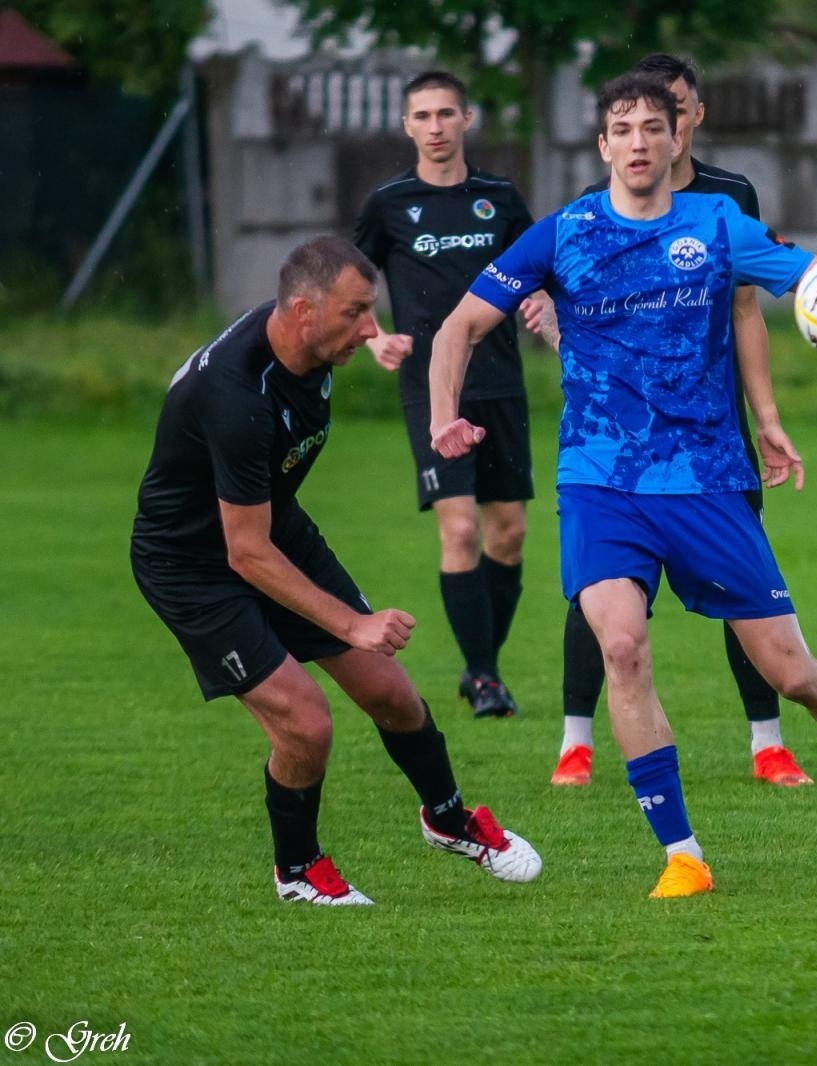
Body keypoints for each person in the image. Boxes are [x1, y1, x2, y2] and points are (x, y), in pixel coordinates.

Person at [429, 74, 817, 898]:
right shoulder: (564, 235)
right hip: (600, 480)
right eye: (620, 128)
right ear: (602, 147)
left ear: (676, 140)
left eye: (650, 128)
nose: (636, 141)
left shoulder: (717, 225)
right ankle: (684, 856)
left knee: (794, 674)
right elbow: (460, 324)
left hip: (706, 479)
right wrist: (442, 417)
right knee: (622, 646)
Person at [130, 237, 541, 905]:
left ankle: (447, 818)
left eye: (370, 311)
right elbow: (245, 552)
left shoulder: (306, 343)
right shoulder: (238, 396)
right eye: (355, 314)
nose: (368, 328)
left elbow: (265, 528)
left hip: (272, 525)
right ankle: (297, 872)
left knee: (392, 693)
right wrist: (352, 622)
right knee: (307, 722)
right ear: (302, 311)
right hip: (192, 564)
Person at [527, 54, 811, 790]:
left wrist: (768, 416)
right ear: (612, 138)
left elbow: (747, 309)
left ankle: (768, 742)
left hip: (710, 435)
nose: (657, 131)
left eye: (672, 113)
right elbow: (579, 314)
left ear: (693, 118)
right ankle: (576, 741)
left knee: (742, 593)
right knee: (604, 600)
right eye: (637, 122)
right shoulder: (600, 206)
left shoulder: (727, 198)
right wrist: (554, 325)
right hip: (613, 445)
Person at [354, 70, 534, 719]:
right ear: (407, 125)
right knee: (459, 530)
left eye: (445, 114)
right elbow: (351, 282)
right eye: (422, 116)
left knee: (507, 533)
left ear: (466, 120)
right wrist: (373, 336)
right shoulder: (388, 204)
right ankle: (485, 677)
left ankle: (483, 664)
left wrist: (543, 305)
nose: (434, 127)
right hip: (431, 392)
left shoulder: (500, 198)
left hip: (501, 383)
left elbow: (537, 270)